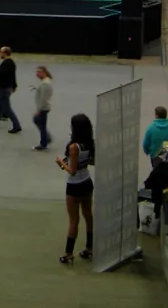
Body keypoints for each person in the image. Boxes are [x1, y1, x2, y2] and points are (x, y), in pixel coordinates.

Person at [56, 113, 95, 264]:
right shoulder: (89, 143)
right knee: (88, 215)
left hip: (74, 185)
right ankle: (90, 247)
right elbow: (92, 161)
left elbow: (72, 170)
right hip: (87, 181)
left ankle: (68, 253)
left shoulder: (73, 147)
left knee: (74, 219)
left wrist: (61, 162)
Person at [0, 46, 21, 133]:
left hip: (3, 89)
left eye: (1, 52)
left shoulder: (7, 63)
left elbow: (1, 74)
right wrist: (14, 86)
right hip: (4, 88)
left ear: (5, 53)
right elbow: (12, 76)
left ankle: (17, 125)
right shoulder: (9, 62)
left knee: (6, 108)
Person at [31, 66, 54, 151]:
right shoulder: (45, 82)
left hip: (43, 108)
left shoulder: (45, 83)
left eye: (39, 72)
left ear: (44, 72)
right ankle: (46, 138)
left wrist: (39, 110)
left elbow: (44, 98)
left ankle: (43, 143)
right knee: (38, 121)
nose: (37, 74)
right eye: (37, 72)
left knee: (41, 125)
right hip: (43, 107)